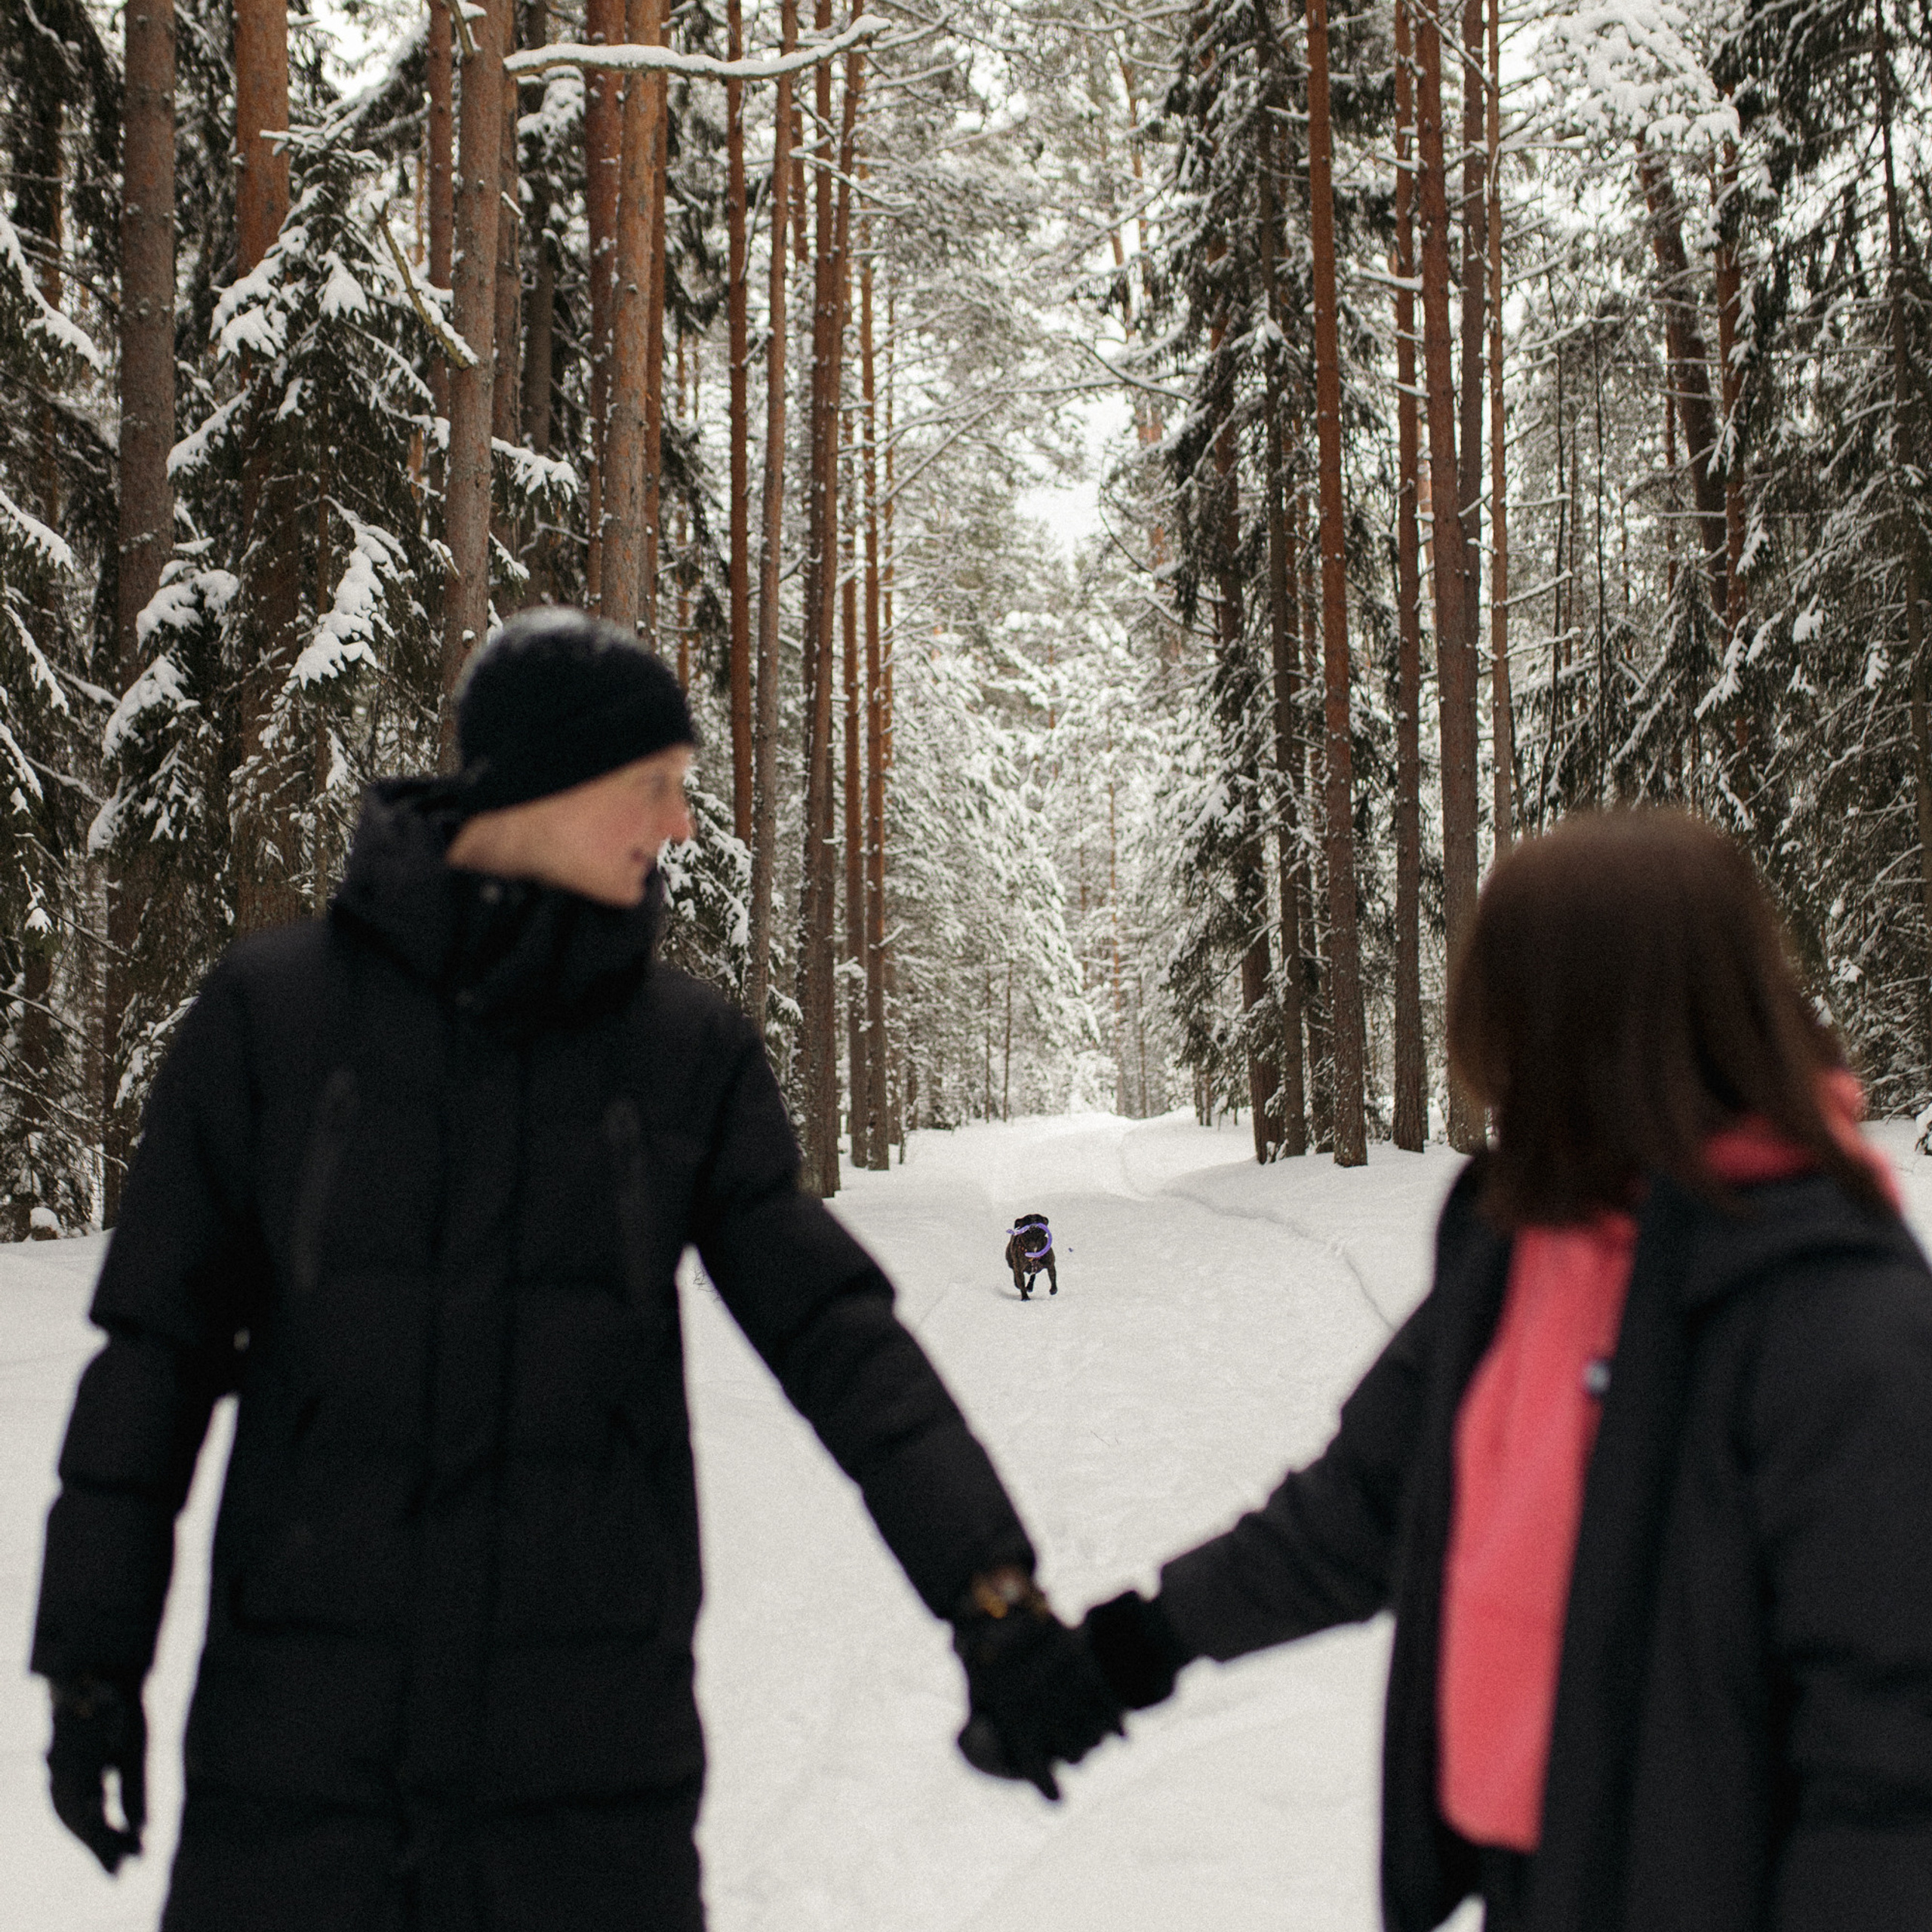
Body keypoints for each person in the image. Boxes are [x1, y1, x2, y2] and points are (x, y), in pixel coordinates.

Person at [31, 609, 1120, 1931]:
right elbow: (153, 1359)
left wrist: (989, 1593)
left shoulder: (680, 1051)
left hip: (594, 1764)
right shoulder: (276, 1020)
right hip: (302, 1759)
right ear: (542, 787)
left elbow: (840, 1338)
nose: (679, 826)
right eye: (653, 786)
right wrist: (92, 1667)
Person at [1065, 809, 1932, 1931]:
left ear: (1607, 1022)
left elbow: (1893, 1755)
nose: (1504, 1057)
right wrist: (1135, 1646)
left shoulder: (1836, 1319)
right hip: (1544, 1877)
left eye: (1523, 1016)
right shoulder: (1525, 1244)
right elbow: (1359, 1507)